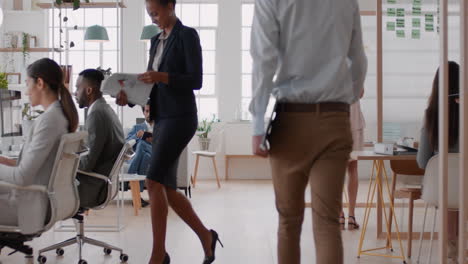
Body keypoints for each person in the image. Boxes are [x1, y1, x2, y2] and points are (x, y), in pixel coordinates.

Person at [249, 0, 367, 263]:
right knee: (327, 223)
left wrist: (257, 123)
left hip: (290, 122)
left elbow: (263, 60)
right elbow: (357, 59)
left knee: (289, 223)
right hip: (335, 119)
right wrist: (344, 98)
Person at [116, 1, 221, 263]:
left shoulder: (187, 35)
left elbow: (196, 80)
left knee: (153, 181)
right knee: (168, 188)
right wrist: (129, 98)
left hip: (181, 117)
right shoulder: (155, 41)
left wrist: (161, 76)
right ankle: (206, 238)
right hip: (161, 118)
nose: (152, 18)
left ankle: (158, 254)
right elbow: (150, 85)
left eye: (156, 12)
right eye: (149, 14)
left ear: (171, 6)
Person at [0, 58, 79, 233]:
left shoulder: (49, 121)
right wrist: (6, 161)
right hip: (35, 198)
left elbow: (22, 178)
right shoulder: (58, 116)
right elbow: (39, 166)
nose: (27, 92)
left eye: (28, 84)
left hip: (27, 207)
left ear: (40, 83)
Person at [417, 61, 460, 261]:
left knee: (448, 187)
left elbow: (423, 162)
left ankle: (451, 251)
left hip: (441, 191)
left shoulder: (431, 116)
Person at [74, 69, 125, 208]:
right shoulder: (105, 109)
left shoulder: (96, 114)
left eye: (78, 88)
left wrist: (63, 162)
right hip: (102, 183)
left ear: (89, 90)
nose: (75, 93)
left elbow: (87, 164)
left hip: (93, 187)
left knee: (43, 186)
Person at [340, 90, 366, 229]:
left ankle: (339, 215)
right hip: (354, 119)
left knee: (336, 171)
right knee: (353, 169)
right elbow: (360, 93)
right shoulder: (355, 67)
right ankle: (351, 216)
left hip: (335, 119)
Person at [126, 101, 154, 207]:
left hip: (154, 154)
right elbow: (126, 142)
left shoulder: (160, 127)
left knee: (142, 145)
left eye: (151, 111)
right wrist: (137, 136)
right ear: (144, 113)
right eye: (146, 111)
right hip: (145, 155)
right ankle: (137, 196)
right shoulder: (137, 127)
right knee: (144, 154)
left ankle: (127, 181)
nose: (148, 114)